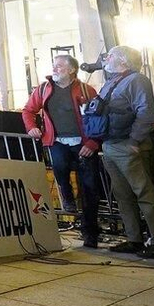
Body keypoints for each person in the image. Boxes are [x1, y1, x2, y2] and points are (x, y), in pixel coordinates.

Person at [92, 45, 154, 257]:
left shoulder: (137, 80)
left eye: (111, 56)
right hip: (111, 143)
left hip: (128, 144)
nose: (106, 59)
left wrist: (135, 140)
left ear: (124, 61)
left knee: (144, 192)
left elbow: (145, 112)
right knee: (122, 194)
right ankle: (134, 238)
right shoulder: (112, 81)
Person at [21, 53, 103, 245]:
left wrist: (92, 143)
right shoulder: (43, 89)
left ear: (72, 69)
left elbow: (99, 118)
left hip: (84, 143)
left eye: (59, 66)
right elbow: (28, 110)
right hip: (57, 141)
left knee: (90, 188)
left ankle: (90, 232)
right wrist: (31, 127)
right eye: (54, 65)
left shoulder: (86, 90)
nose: (54, 69)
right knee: (60, 167)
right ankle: (67, 196)